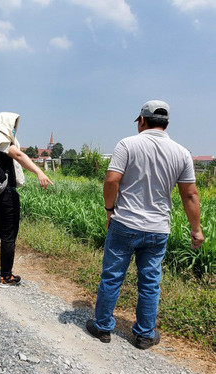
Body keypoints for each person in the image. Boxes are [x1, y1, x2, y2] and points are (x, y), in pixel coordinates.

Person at [86, 100, 204, 349]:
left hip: (125, 223)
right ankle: (144, 334)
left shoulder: (127, 144)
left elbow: (111, 181)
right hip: (158, 228)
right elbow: (190, 195)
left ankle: (103, 327)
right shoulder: (182, 153)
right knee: (150, 281)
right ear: (167, 123)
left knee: (112, 276)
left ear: (141, 121)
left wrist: (110, 210)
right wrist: (196, 229)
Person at [0, 112, 53, 288]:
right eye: (13, 124)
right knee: (9, 234)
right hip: (5, 193)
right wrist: (39, 171)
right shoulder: (1, 137)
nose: (15, 129)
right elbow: (17, 155)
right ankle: (6, 276)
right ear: (5, 123)